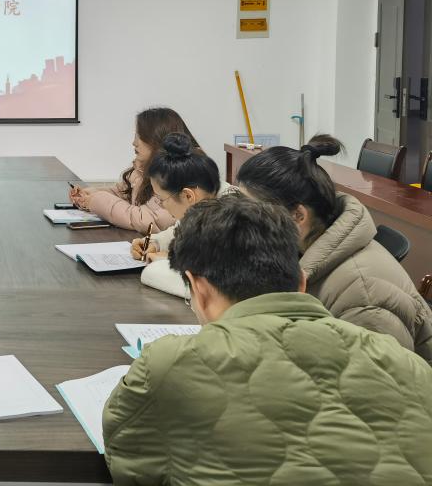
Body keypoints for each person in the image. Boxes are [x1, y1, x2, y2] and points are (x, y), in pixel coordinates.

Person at [104, 194, 432, 485]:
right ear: (301, 282)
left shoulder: (167, 366)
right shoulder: (409, 365)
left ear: (198, 290)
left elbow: (133, 467)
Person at [237, 134, 432, 361]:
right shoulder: (302, 250)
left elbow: (383, 380)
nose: (241, 224)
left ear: (298, 215)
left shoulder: (364, 301)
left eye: (253, 213)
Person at [129, 133, 235, 297]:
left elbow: (208, 289)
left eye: (161, 199)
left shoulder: (231, 220)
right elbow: (181, 229)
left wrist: (164, 262)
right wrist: (156, 243)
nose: (161, 205)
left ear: (188, 196)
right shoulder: (207, 196)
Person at [69, 107, 196, 232]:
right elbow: (123, 194)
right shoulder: (142, 169)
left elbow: (146, 219)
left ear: (157, 139)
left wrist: (96, 201)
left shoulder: (177, 177)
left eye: (139, 136)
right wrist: (90, 194)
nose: (134, 142)